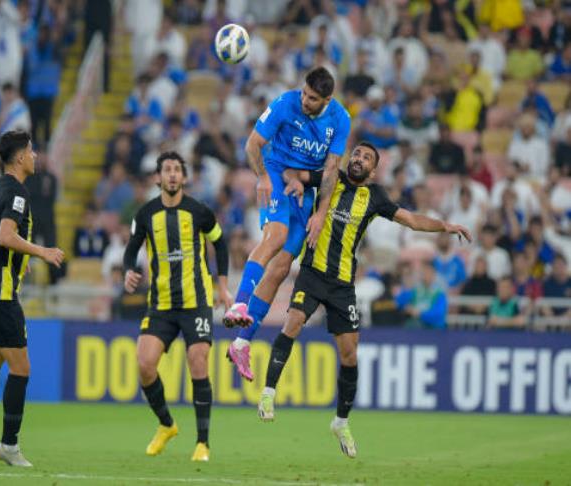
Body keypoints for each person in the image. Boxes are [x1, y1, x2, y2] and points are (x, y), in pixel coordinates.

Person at [256, 142, 471, 458]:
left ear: (373, 170)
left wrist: (445, 226)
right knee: (294, 321)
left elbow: (410, 220)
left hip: (343, 284)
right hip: (313, 273)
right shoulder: (331, 177)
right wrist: (292, 182)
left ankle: (341, 421)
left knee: (350, 355)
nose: (358, 158)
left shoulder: (376, 197)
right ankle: (268, 393)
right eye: (356, 153)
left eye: (366, 158)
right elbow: (297, 174)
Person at [223, 67, 351, 382]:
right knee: (276, 236)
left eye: (313, 98)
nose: (305, 101)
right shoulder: (284, 103)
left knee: (280, 269)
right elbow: (253, 144)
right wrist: (263, 178)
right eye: (305, 94)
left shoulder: (340, 119)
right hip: (276, 174)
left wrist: (320, 214)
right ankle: (238, 304)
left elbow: (332, 171)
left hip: (305, 190)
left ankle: (241, 343)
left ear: (327, 99)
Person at [122, 151, 232, 462]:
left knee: (197, 359)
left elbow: (220, 243)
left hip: (195, 302)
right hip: (160, 304)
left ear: (184, 178)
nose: (172, 174)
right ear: (157, 178)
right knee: (144, 364)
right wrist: (128, 270)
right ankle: (167, 424)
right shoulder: (145, 214)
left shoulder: (199, 211)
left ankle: (202, 443)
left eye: (176, 170)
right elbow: (131, 251)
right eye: (166, 170)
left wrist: (222, 286)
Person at [0, 130, 65, 467]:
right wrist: (42, 251)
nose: (36, 156)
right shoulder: (18, 193)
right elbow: (6, 235)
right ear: (20, 157)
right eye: (32, 151)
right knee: (21, 368)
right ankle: (8, 445)